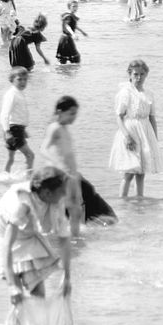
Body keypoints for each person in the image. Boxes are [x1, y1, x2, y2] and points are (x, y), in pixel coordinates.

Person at [0, 166, 75, 325]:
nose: (64, 195)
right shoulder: (21, 204)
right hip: (5, 233)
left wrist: (68, 277)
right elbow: (7, 245)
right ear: (46, 192)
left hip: (30, 233)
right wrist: (11, 287)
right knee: (17, 293)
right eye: (61, 191)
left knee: (38, 290)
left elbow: (64, 239)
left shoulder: (55, 201)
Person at [38, 95, 116, 236]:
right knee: (57, 208)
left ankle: (76, 236)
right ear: (60, 112)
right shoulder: (54, 128)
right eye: (71, 113)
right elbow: (43, 148)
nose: (74, 117)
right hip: (59, 175)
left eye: (75, 114)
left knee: (76, 209)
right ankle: (50, 235)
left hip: (72, 175)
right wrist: (57, 164)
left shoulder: (65, 129)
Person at [108, 59, 161, 198]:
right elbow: (119, 117)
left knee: (141, 172)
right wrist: (127, 136)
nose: (139, 77)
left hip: (145, 132)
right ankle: (122, 202)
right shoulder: (125, 92)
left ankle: (139, 201)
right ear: (130, 74)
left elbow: (152, 117)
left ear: (146, 75)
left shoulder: (149, 93)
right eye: (136, 74)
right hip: (130, 132)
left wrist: (154, 140)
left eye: (142, 74)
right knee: (129, 172)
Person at [1, 68, 33, 173]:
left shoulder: (19, 93)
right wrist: (7, 132)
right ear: (12, 80)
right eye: (19, 79)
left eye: (25, 79)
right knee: (30, 155)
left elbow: (18, 114)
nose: (23, 82)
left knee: (10, 158)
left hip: (16, 129)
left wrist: (23, 130)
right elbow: (5, 114)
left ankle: (4, 176)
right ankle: (29, 178)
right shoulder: (12, 94)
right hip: (13, 130)